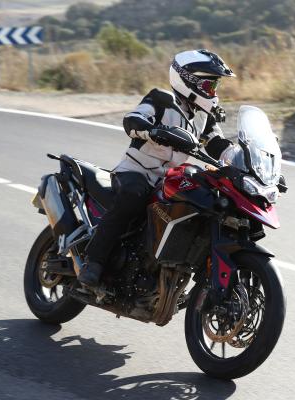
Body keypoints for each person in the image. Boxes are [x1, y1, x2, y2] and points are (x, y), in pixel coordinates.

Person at [78, 49, 236, 287]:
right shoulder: (161, 100)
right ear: (189, 81)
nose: (213, 92)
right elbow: (132, 120)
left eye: (215, 86)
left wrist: (242, 158)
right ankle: (94, 262)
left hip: (168, 178)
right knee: (133, 196)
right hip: (136, 171)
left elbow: (218, 144)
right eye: (209, 85)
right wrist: (153, 131)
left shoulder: (204, 116)